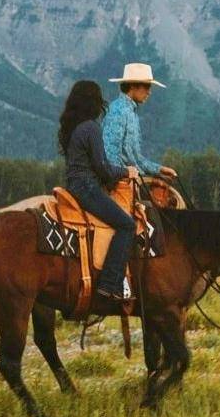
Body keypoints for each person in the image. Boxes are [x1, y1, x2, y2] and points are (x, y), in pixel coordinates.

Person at [58, 79, 139, 302]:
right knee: (127, 225)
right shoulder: (91, 128)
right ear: (94, 102)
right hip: (88, 188)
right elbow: (102, 167)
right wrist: (127, 172)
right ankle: (109, 284)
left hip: (74, 186)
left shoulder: (74, 128)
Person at [103, 62, 179, 185]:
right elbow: (110, 155)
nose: (149, 92)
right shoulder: (117, 111)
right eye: (146, 87)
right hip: (121, 184)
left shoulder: (130, 112)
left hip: (129, 180)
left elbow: (136, 158)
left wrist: (159, 169)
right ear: (133, 86)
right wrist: (126, 175)